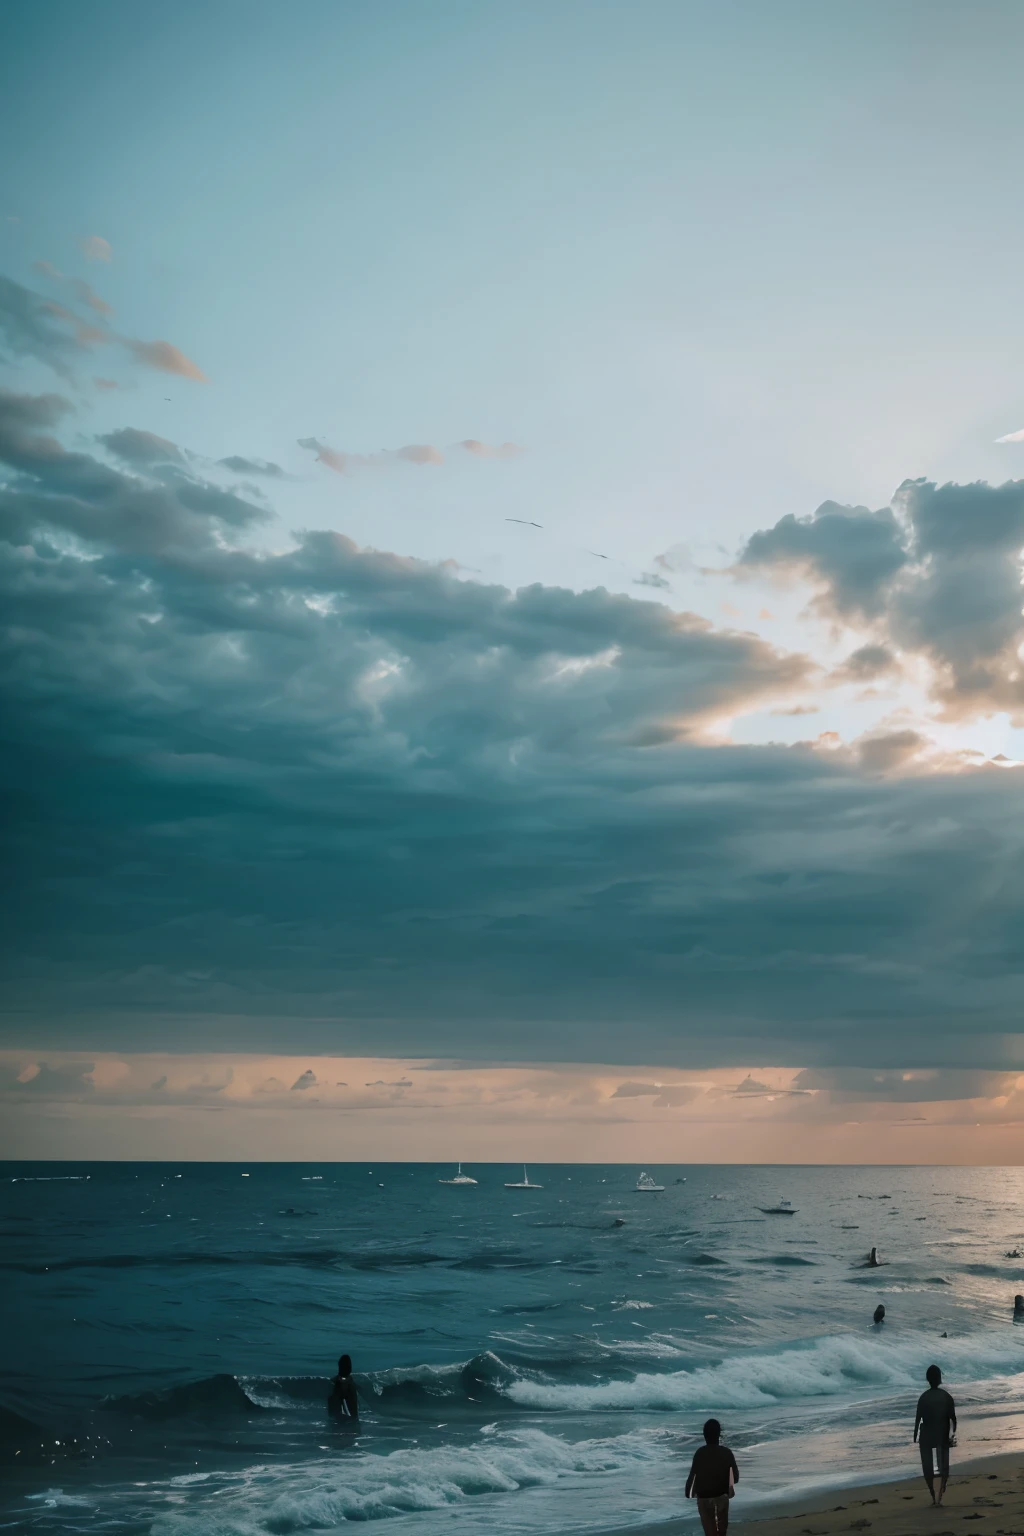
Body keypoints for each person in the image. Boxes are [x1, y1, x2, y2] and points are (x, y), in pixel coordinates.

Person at [685, 1418, 739, 1536]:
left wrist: (688, 1492)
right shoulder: (727, 1452)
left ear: (704, 1435)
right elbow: (736, 1477)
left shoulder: (699, 1453)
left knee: (710, 1531)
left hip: (704, 1497)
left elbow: (692, 1476)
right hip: (722, 1496)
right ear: (719, 1434)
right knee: (722, 1529)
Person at [914, 1364, 956, 1506]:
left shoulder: (923, 1397)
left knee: (927, 1466)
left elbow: (917, 1419)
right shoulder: (946, 1396)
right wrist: (952, 1436)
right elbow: (953, 1420)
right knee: (944, 1464)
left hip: (926, 1435)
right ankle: (940, 1494)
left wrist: (915, 1436)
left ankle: (932, 1494)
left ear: (927, 1379)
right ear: (939, 1379)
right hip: (942, 1434)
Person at [328, 1354, 359, 1421]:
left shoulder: (333, 1381)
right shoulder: (350, 1382)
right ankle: (354, 1419)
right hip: (348, 1418)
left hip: (337, 1417)